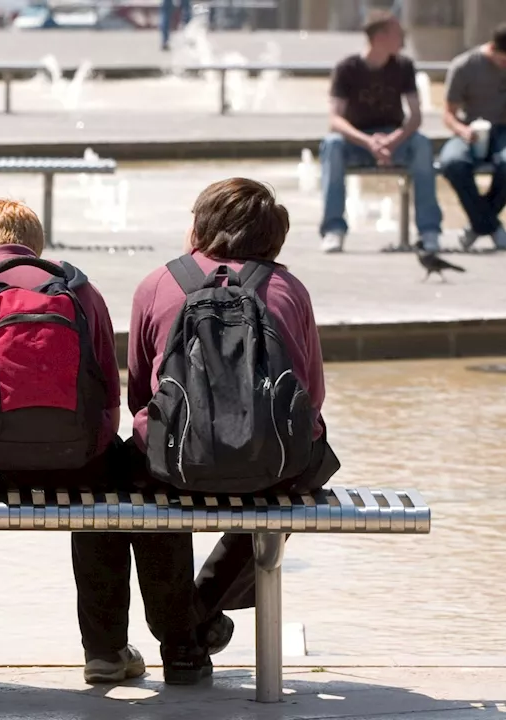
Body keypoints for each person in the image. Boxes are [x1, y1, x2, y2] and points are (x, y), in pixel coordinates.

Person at [0, 198, 208, 687]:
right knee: (113, 486)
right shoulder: (80, 290)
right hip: (75, 464)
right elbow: (108, 399)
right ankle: (105, 650)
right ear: (37, 248)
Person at [128, 178, 339, 661]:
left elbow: (140, 396)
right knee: (305, 470)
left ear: (201, 225)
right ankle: (202, 607)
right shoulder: (287, 288)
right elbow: (312, 397)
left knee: (138, 476)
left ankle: (179, 632)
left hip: (176, 467)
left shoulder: (158, 283)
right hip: (273, 470)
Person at [319, 10, 441, 254]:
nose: (403, 39)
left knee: (422, 144)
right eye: (398, 33)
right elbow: (336, 120)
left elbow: (415, 116)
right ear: (380, 37)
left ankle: (429, 231)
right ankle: (334, 229)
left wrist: (393, 140)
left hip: (394, 138)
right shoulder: (347, 68)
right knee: (331, 144)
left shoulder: (404, 66)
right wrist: (368, 142)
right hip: (357, 141)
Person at [439, 22, 506, 252]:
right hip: (470, 128)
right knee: (452, 163)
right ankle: (489, 225)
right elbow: (447, 114)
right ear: (492, 49)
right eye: (504, 60)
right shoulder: (465, 65)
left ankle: (479, 224)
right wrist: (462, 131)